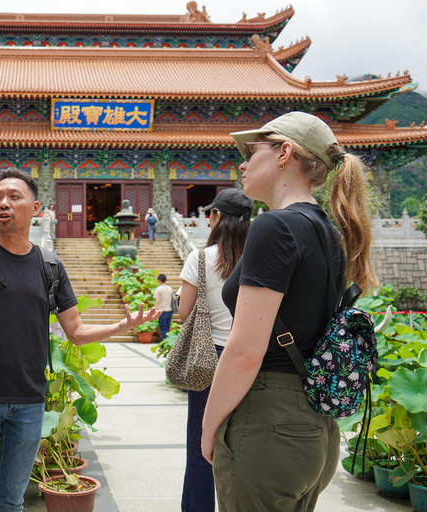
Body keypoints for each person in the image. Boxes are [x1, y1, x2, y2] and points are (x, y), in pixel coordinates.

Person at [0, 167, 160, 512]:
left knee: (12, 502)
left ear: (36, 207)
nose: (4, 204)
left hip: (29, 401)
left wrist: (118, 326)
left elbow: (76, 332)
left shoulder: (50, 266)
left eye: (14, 197)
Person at [201, 112, 378, 511]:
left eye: (251, 151)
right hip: (314, 425)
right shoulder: (327, 230)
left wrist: (209, 426)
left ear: (284, 153)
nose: (243, 163)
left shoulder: (275, 227)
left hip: (269, 424)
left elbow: (246, 351)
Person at [176, 188, 253, 512]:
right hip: (253, 357)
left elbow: (184, 314)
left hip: (210, 359)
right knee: (246, 446)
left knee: (201, 447)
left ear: (217, 217)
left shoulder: (201, 258)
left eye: (210, 213)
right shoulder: (259, 257)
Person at [154, 274, 174, 343]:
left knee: (163, 329)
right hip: (169, 310)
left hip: (162, 311)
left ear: (159, 280)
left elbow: (157, 301)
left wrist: (155, 310)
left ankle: (163, 345)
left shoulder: (158, 289)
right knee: (167, 329)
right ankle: (166, 344)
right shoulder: (170, 288)